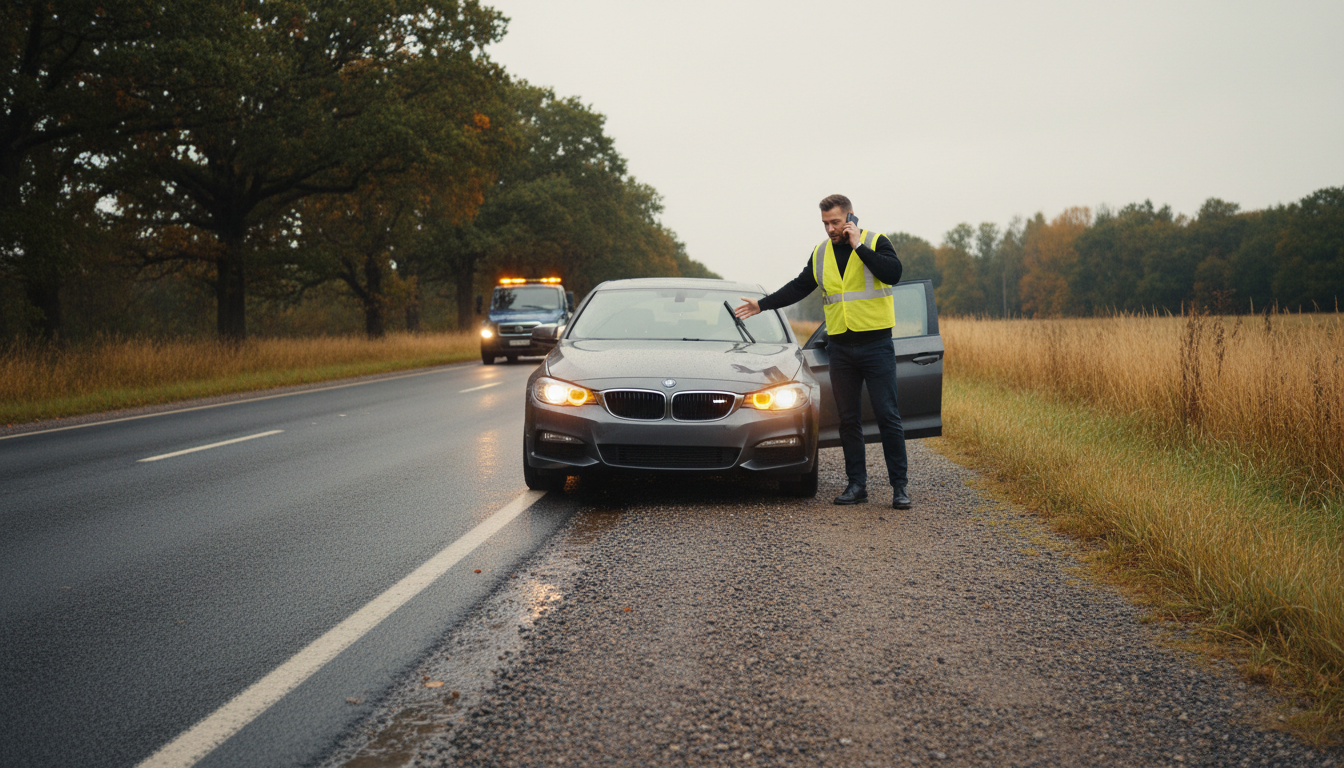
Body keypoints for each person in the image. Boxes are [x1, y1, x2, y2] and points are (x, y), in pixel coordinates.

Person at [735, 194, 910, 509]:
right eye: (825, 223)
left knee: (888, 416)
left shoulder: (876, 241)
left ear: (850, 217)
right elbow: (799, 286)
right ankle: (857, 486)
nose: (830, 229)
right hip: (841, 348)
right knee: (848, 420)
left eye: (835, 222)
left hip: (876, 345)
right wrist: (762, 304)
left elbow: (893, 274)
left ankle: (900, 487)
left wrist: (858, 246)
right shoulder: (821, 254)